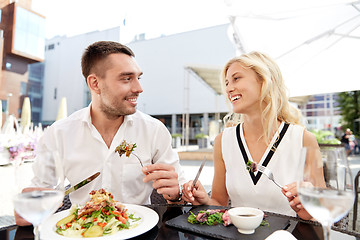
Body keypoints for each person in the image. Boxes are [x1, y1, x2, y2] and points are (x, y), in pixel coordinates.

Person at [15, 41, 186, 226]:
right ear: (95, 83)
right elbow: (38, 197)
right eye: (127, 78)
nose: (138, 88)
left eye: (138, 78)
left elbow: (181, 196)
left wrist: (177, 194)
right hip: (81, 233)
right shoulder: (58, 134)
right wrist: (31, 209)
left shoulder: (154, 131)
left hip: (139, 230)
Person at [182, 51, 321, 220]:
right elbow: (219, 201)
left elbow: (323, 206)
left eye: (236, 78)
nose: (228, 88)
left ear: (264, 81)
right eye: (226, 83)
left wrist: (309, 202)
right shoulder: (223, 141)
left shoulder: (303, 139)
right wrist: (204, 200)